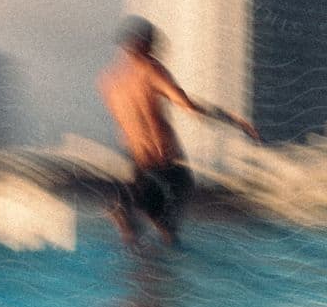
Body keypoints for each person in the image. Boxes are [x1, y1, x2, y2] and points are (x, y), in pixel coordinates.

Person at [96, 16, 258, 248]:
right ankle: (142, 226)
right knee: (170, 221)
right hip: (165, 162)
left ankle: (130, 216)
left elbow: (125, 124)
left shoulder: (109, 81)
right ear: (144, 44)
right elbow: (189, 106)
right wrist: (233, 119)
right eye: (153, 43)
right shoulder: (151, 71)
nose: (156, 49)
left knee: (140, 231)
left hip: (137, 162)